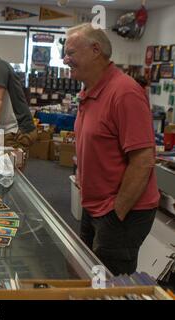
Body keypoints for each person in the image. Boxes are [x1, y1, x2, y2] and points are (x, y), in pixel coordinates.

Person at [63, 23, 160, 276]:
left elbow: (143, 160)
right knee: (84, 273)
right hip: (96, 206)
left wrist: (116, 212)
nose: (66, 59)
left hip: (120, 211)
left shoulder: (125, 92)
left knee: (109, 283)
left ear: (95, 50)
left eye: (71, 53)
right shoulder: (90, 91)